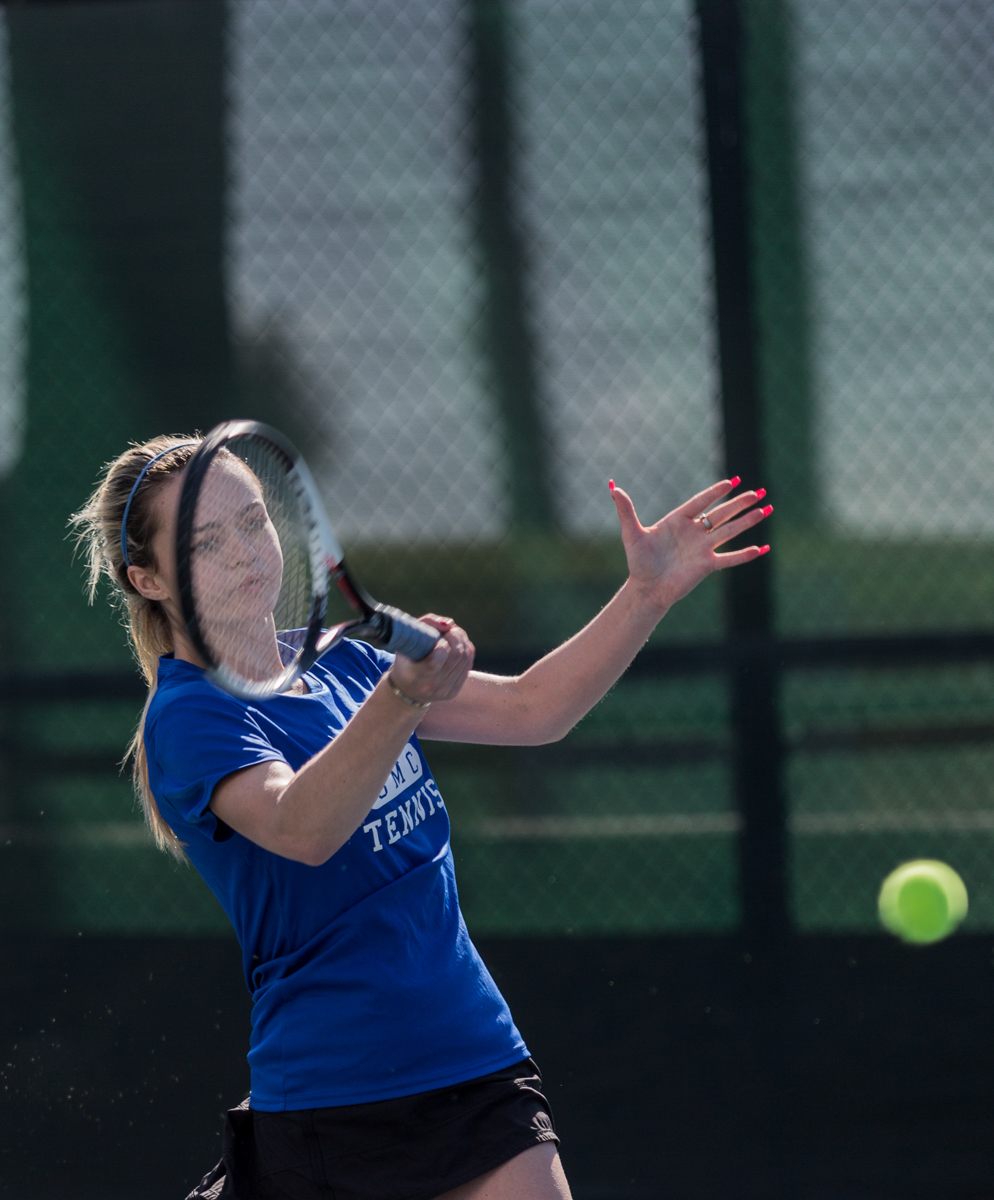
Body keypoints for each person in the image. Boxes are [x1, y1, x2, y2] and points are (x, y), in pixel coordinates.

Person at [71, 436, 771, 1200]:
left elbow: (535, 709)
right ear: (148, 578)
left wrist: (646, 594)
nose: (246, 552)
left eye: (253, 521)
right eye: (206, 542)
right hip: (336, 1103)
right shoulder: (188, 716)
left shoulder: (348, 661)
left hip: (476, 1058)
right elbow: (301, 828)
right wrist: (402, 697)